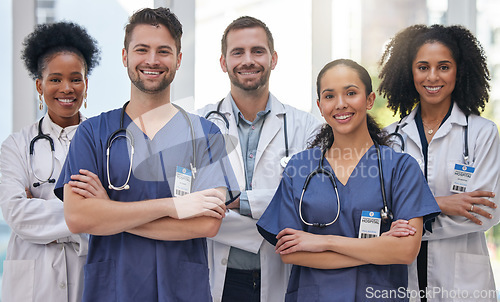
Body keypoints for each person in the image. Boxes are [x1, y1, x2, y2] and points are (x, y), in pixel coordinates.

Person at [55, 7, 237, 302]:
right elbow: (78, 217)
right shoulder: (92, 134)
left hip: (182, 290)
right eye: (142, 49)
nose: (152, 60)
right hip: (113, 290)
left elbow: (207, 223)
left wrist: (109, 212)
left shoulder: (205, 135)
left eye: (163, 51)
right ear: (125, 56)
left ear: (178, 60)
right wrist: (173, 206)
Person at [256, 59, 441, 302]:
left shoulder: (401, 168)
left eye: (351, 93)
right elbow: (291, 252)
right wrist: (379, 248)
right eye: (330, 96)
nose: (341, 104)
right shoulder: (300, 167)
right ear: (320, 106)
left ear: (370, 100)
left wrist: (321, 242)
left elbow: (406, 251)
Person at [196, 16, 322, 302]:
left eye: (258, 51)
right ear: (223, 62)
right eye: (237, 52)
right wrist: (274, 208)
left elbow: (311, 204)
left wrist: (238, 201)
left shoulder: (307, 128)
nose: (248, 60)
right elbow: (191, 203)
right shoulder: (198, 124)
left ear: (273, 58)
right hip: (218, 277)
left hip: (281, 273)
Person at [379, 24, 500, 301]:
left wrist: (408, 221)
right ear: (410, 72)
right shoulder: (389, 138)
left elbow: (484, 214)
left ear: (459, 70)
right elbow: (379, 212)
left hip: (462, 286)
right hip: (401, 279)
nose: (432, 76)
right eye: (423, 67)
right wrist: (442, 204)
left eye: (443, 66)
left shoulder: (482, 132)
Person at [0, 22, 100, 302]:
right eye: (55, 79)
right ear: (39, 85)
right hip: (34, 282)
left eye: (75, 78)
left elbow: (119, 211)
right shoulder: (16, 146)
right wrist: (90, 214)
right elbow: (17, 214)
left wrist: (42, 210)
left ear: (86, 84)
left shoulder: (105, 142)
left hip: (87, 275)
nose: (66, 88)